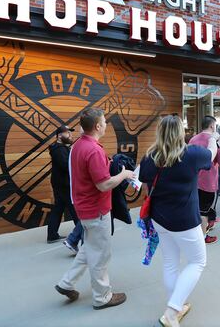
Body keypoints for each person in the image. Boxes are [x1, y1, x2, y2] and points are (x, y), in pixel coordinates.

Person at [54, 108, 135, 310]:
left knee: (88, 249)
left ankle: (66, 283)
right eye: (104, 122)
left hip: (84, 209)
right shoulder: (94, 150)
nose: (106, 124)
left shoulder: (78, 146)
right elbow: (104, 184)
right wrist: (124, 175)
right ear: (97, 126)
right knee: (100, 254)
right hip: (97, 210)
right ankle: (102, 297)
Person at [139, 115, 215, 327]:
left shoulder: (149, 157)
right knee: (197, 262)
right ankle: (172, 311)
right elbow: (212, 156)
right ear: (180, 132)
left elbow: (146, 189)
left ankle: (177, 304)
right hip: (185, 221)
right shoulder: (192, 154)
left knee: (171, 262)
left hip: (159, 219)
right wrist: (212, 140)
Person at [189, 116, 220, 244]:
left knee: (196, 209)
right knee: (203, 211)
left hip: (193, 182)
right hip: (208, 182)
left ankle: (196, 233)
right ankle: (202, 237)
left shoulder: (193, 139)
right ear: (212, 126)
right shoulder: (216, 141)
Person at [47, 125, 78, 244]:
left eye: (71, 133)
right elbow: (66, 166)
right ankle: (81, 235)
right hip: (64, 184)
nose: (70, 135)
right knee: (74, 209)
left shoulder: (60, 148)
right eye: (67, 133)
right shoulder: (59, 149)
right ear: (59, 136)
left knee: (58, 209)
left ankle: (52, 235)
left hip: (60, 183)